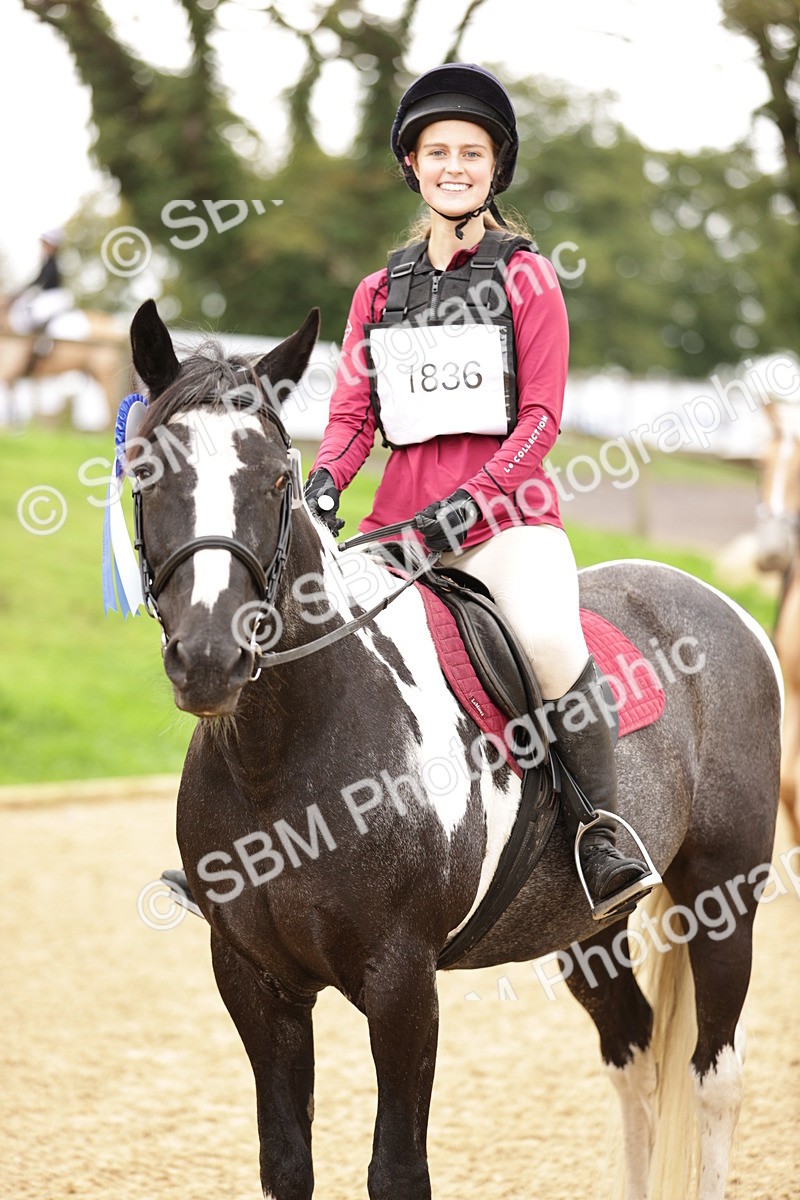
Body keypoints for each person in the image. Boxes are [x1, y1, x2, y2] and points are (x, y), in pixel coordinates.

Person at [304, 63, 655, 918]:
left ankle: (601, 831)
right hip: (394, 527)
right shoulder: (377, 293)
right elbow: (354, 416)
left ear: (494, 169)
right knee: (297, 630)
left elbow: (540, 419)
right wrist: (323, 482)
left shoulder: (527, 279)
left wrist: (464, 510)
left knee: (542, 634)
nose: (453, 165)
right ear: (413, 166)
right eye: (438, 152)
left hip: (505, 523)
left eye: (471, 152)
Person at [7, 228, 72, 336]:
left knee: (36, 314)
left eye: (46, 244)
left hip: (53, 297)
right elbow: (36, 280)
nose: (43, 247)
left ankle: (43, 341)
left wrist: (33, 290)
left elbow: (45, 281)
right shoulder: (47, 262)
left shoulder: (54, 263)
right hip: (48, 296)